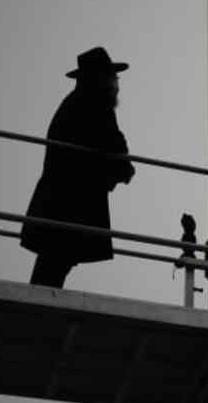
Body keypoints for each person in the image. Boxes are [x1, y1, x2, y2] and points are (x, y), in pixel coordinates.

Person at [21, 47, 135, 287]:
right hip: (71, 200)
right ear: (101, 77)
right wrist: (124, 169)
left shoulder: (76, 101)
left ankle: (38, 304)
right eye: (112, 76)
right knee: (56, 259)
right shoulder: (95, 100)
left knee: (55, 259)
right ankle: (37, 308)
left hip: (60, 198)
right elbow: (112, 143)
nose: (116, 82)